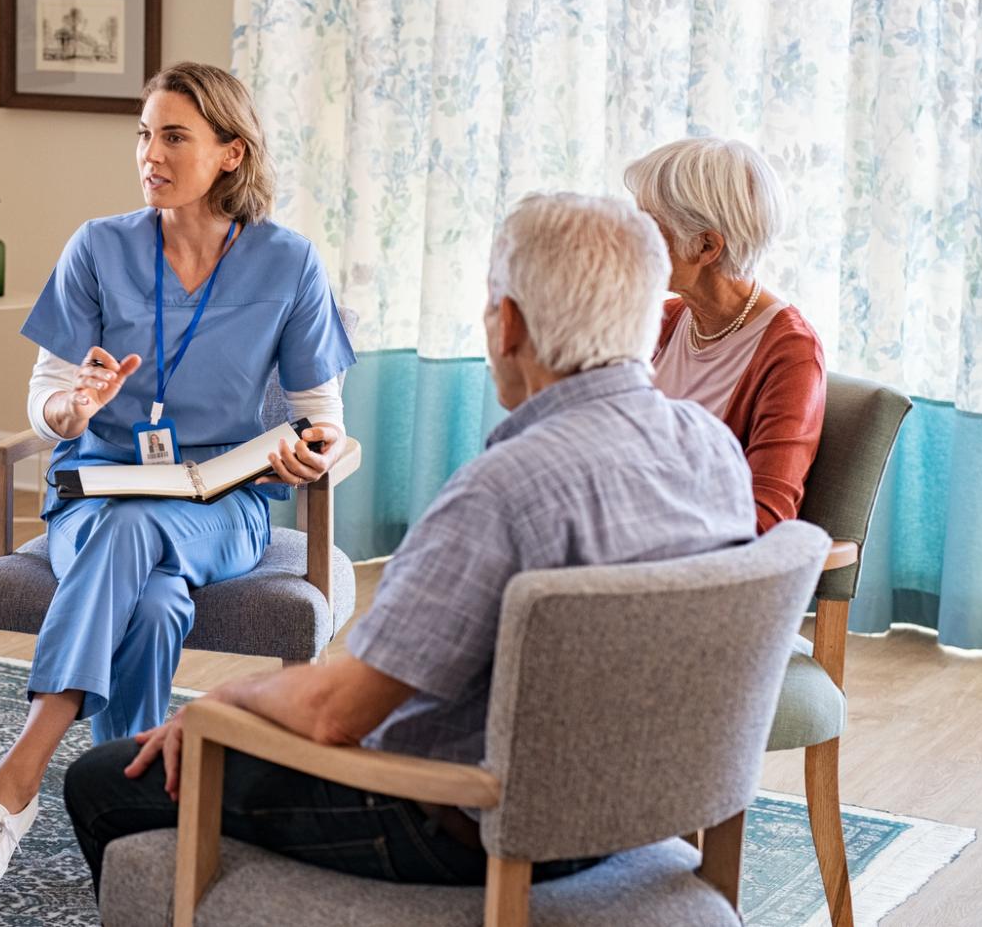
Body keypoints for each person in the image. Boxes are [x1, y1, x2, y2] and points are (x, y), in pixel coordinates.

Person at [62, 193, 757, 892]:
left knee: (105, 778)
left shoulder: (501, 492)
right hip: (629, 817)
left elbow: (337, 715)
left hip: (453, 824)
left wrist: (221, 703)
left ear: (507, 323)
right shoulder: (715, 453)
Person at [0, 62, 357, 906]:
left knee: (140, 534)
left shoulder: (288, 263)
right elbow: (47, 394)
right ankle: (128, 826)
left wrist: (317, 450)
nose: (148, 154)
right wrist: (71, 411)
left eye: (173, 137)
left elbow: (321, 414)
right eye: (143, 134)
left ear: (232, 154)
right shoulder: (99, 246)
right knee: (153, 598)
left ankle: (14, 783)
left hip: (222, 507)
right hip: (96, 491)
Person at [626, 137, 827, 532]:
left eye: (646, 228)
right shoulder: (661, 321)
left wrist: (636, 528)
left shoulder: (791, 354)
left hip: (689, 571)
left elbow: (765, 517)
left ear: (705, 246)